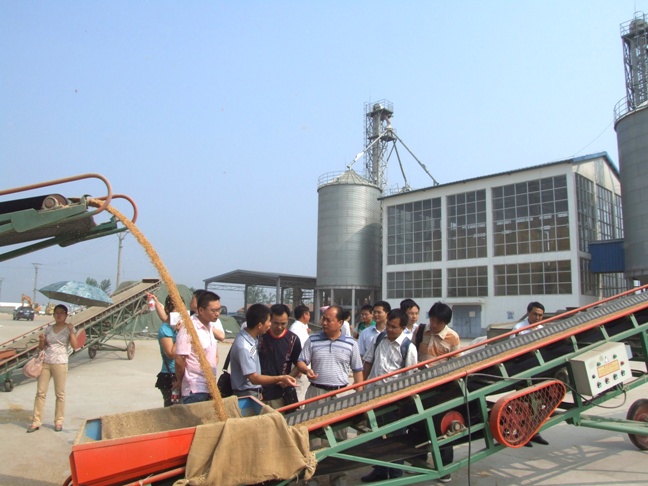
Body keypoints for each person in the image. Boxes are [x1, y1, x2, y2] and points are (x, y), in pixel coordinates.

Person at [296, 305, 364, 486]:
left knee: (339, 438)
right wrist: (306, 370)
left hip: (340, 395)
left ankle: (338, 478)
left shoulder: (351, 344)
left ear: (340, 322)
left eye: (328, 319)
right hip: (316, 393)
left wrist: (359, 397)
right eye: (323, 319)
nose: (324, 322)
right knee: (314, 438)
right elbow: (301, 361)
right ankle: (313, 478)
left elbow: (358, 371)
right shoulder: (313, 340)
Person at [361, 309, 418, 482]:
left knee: (396, 438)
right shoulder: (379, 339)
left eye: (394, 327)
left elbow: (410, 378)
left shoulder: (408, 347)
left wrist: (404, 403)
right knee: (375, 434)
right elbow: (368, 361)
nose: (390, 330)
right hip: (374, 395)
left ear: (403, 328)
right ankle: (379, 470)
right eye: (388, 326)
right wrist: (361, 386)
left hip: (394, 401)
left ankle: (395, 475)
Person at [412, 302, 459, 483]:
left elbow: (456, 365)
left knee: (442, 427)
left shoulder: (452, 337)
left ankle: (445, 467)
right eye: (432, 319)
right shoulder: (421, 331)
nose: (433, 324)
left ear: (445, 322)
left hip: (441, 389)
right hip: (419, 386)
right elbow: (413, 355)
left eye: (438, 322)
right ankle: (419, 461)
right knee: (418, 424)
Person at [27, 304, 79, 433]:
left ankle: (59, 421)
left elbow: (75, 345)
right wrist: (41, 340)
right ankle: (36, 421)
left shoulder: (69, 328)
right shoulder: (49, 329)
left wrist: (71, 331)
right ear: (53, 314)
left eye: (62, 313)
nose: (59, 315)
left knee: (60, 394)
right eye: (57, 313)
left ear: (66, 315)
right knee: (40, 392)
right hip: (45, 362)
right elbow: (42, 347)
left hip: (60, 363)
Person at [230, 303, 297, 399]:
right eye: (269, 321)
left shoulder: (252, 338)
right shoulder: (244, 347)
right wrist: (281, 378)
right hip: (246, 395)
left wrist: (258, 390)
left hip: (253, 392)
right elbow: (254, 378)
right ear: (260, 325)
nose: (270, 324)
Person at [512, 301, 549, 447]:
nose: (538, 318)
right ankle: (522, 434)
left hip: (537, 371)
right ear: (528, 313)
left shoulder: (542, 329)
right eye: (535, 314)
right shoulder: (519, 329)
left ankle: (535, 433)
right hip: (522, 370)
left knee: (537, 404)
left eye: (540, 315)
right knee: (523, 405)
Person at [174, 291, 222, 404]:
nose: (217, 314)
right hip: (194, 389)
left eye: (219, 310)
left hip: (209, 387)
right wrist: (180, 381)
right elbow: (180, 360)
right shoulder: (189, 329)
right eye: (213, 310)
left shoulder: (210, 327)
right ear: (201, 310)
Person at [257, 304, 302, 408]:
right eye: (276, 323)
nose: (279, 327)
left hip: (280, 395)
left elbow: (299, 364)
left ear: (288, 320)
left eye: (283, 324)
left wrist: (288, 378)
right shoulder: (260, 337)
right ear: (269, 320)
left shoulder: (293, 340)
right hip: (259, 393)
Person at [155, 295, 178, 407]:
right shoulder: (165, 329)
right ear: (168, 310)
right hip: (170, 375)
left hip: (182, 374)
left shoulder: (176, 327)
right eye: (177, 310)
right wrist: (181, 334)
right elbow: (171, 353)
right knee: (172, 410)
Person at [289, 304, 312, 401]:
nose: (309, 317)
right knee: (299, 393)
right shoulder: (296, 329)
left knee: (303, 392)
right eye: (309, 314)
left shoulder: (302, 327)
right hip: (300, 368)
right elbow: (297, 349)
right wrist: (298, 368)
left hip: (303, 367)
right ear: (304, 315)